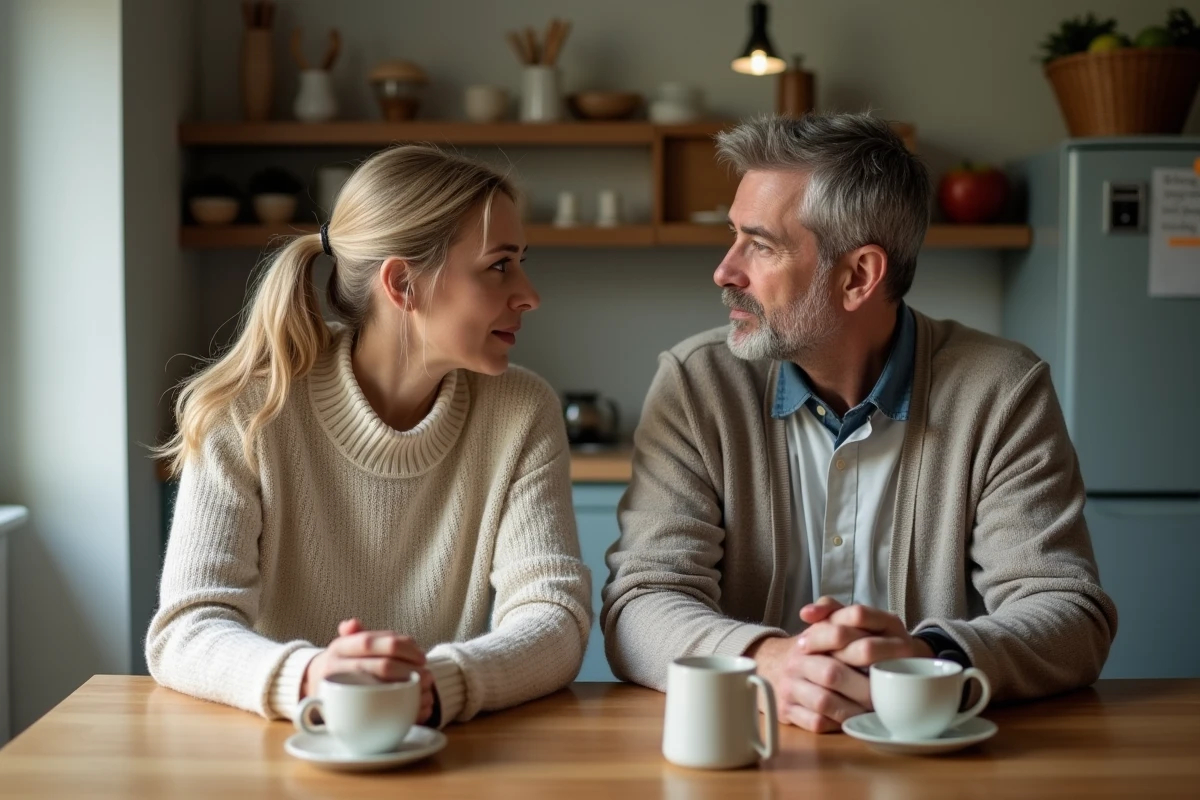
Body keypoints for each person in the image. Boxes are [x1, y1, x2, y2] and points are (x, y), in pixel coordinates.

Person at [601, 112, 1117, 733]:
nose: (725, 271)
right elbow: (639, 604)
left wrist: (926, 661)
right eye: (733, 236)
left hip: (937, 759)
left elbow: (1069, 612)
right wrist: (771, 663)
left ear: (858, 277)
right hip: (751, 751)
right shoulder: (695, 385)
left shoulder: (1002, 391)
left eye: (759, 245)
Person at [148, 145, 591, 727]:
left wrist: (440, 682)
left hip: (436, 752)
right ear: (404, 283)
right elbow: (185, 630)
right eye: (500, 265)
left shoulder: (521, 411)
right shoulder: (248, 411)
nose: (529, 294)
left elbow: (554, 615)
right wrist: (310, 677)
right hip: (276, 752)